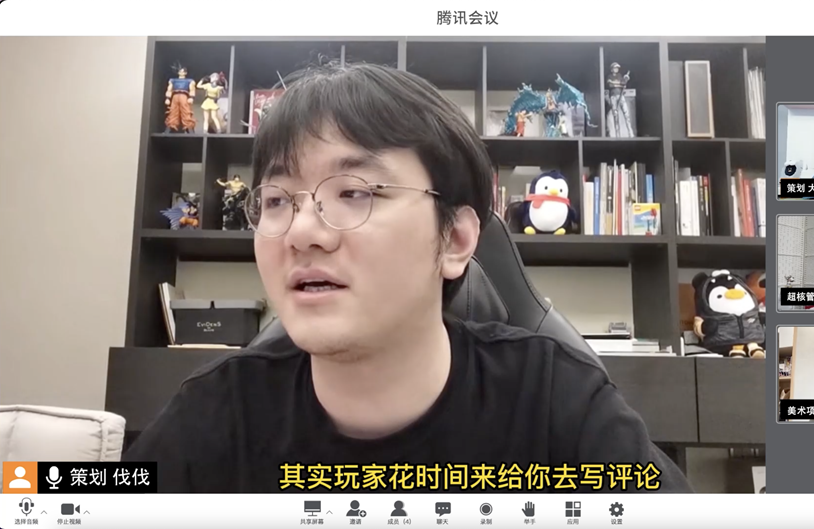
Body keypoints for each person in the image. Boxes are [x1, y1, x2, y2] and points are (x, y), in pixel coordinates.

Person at [123, 63, 693, 494]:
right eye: (276, 200)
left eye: (354, 193)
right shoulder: (216, 410)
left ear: (456, 240)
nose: (301, 232)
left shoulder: (556, 401)